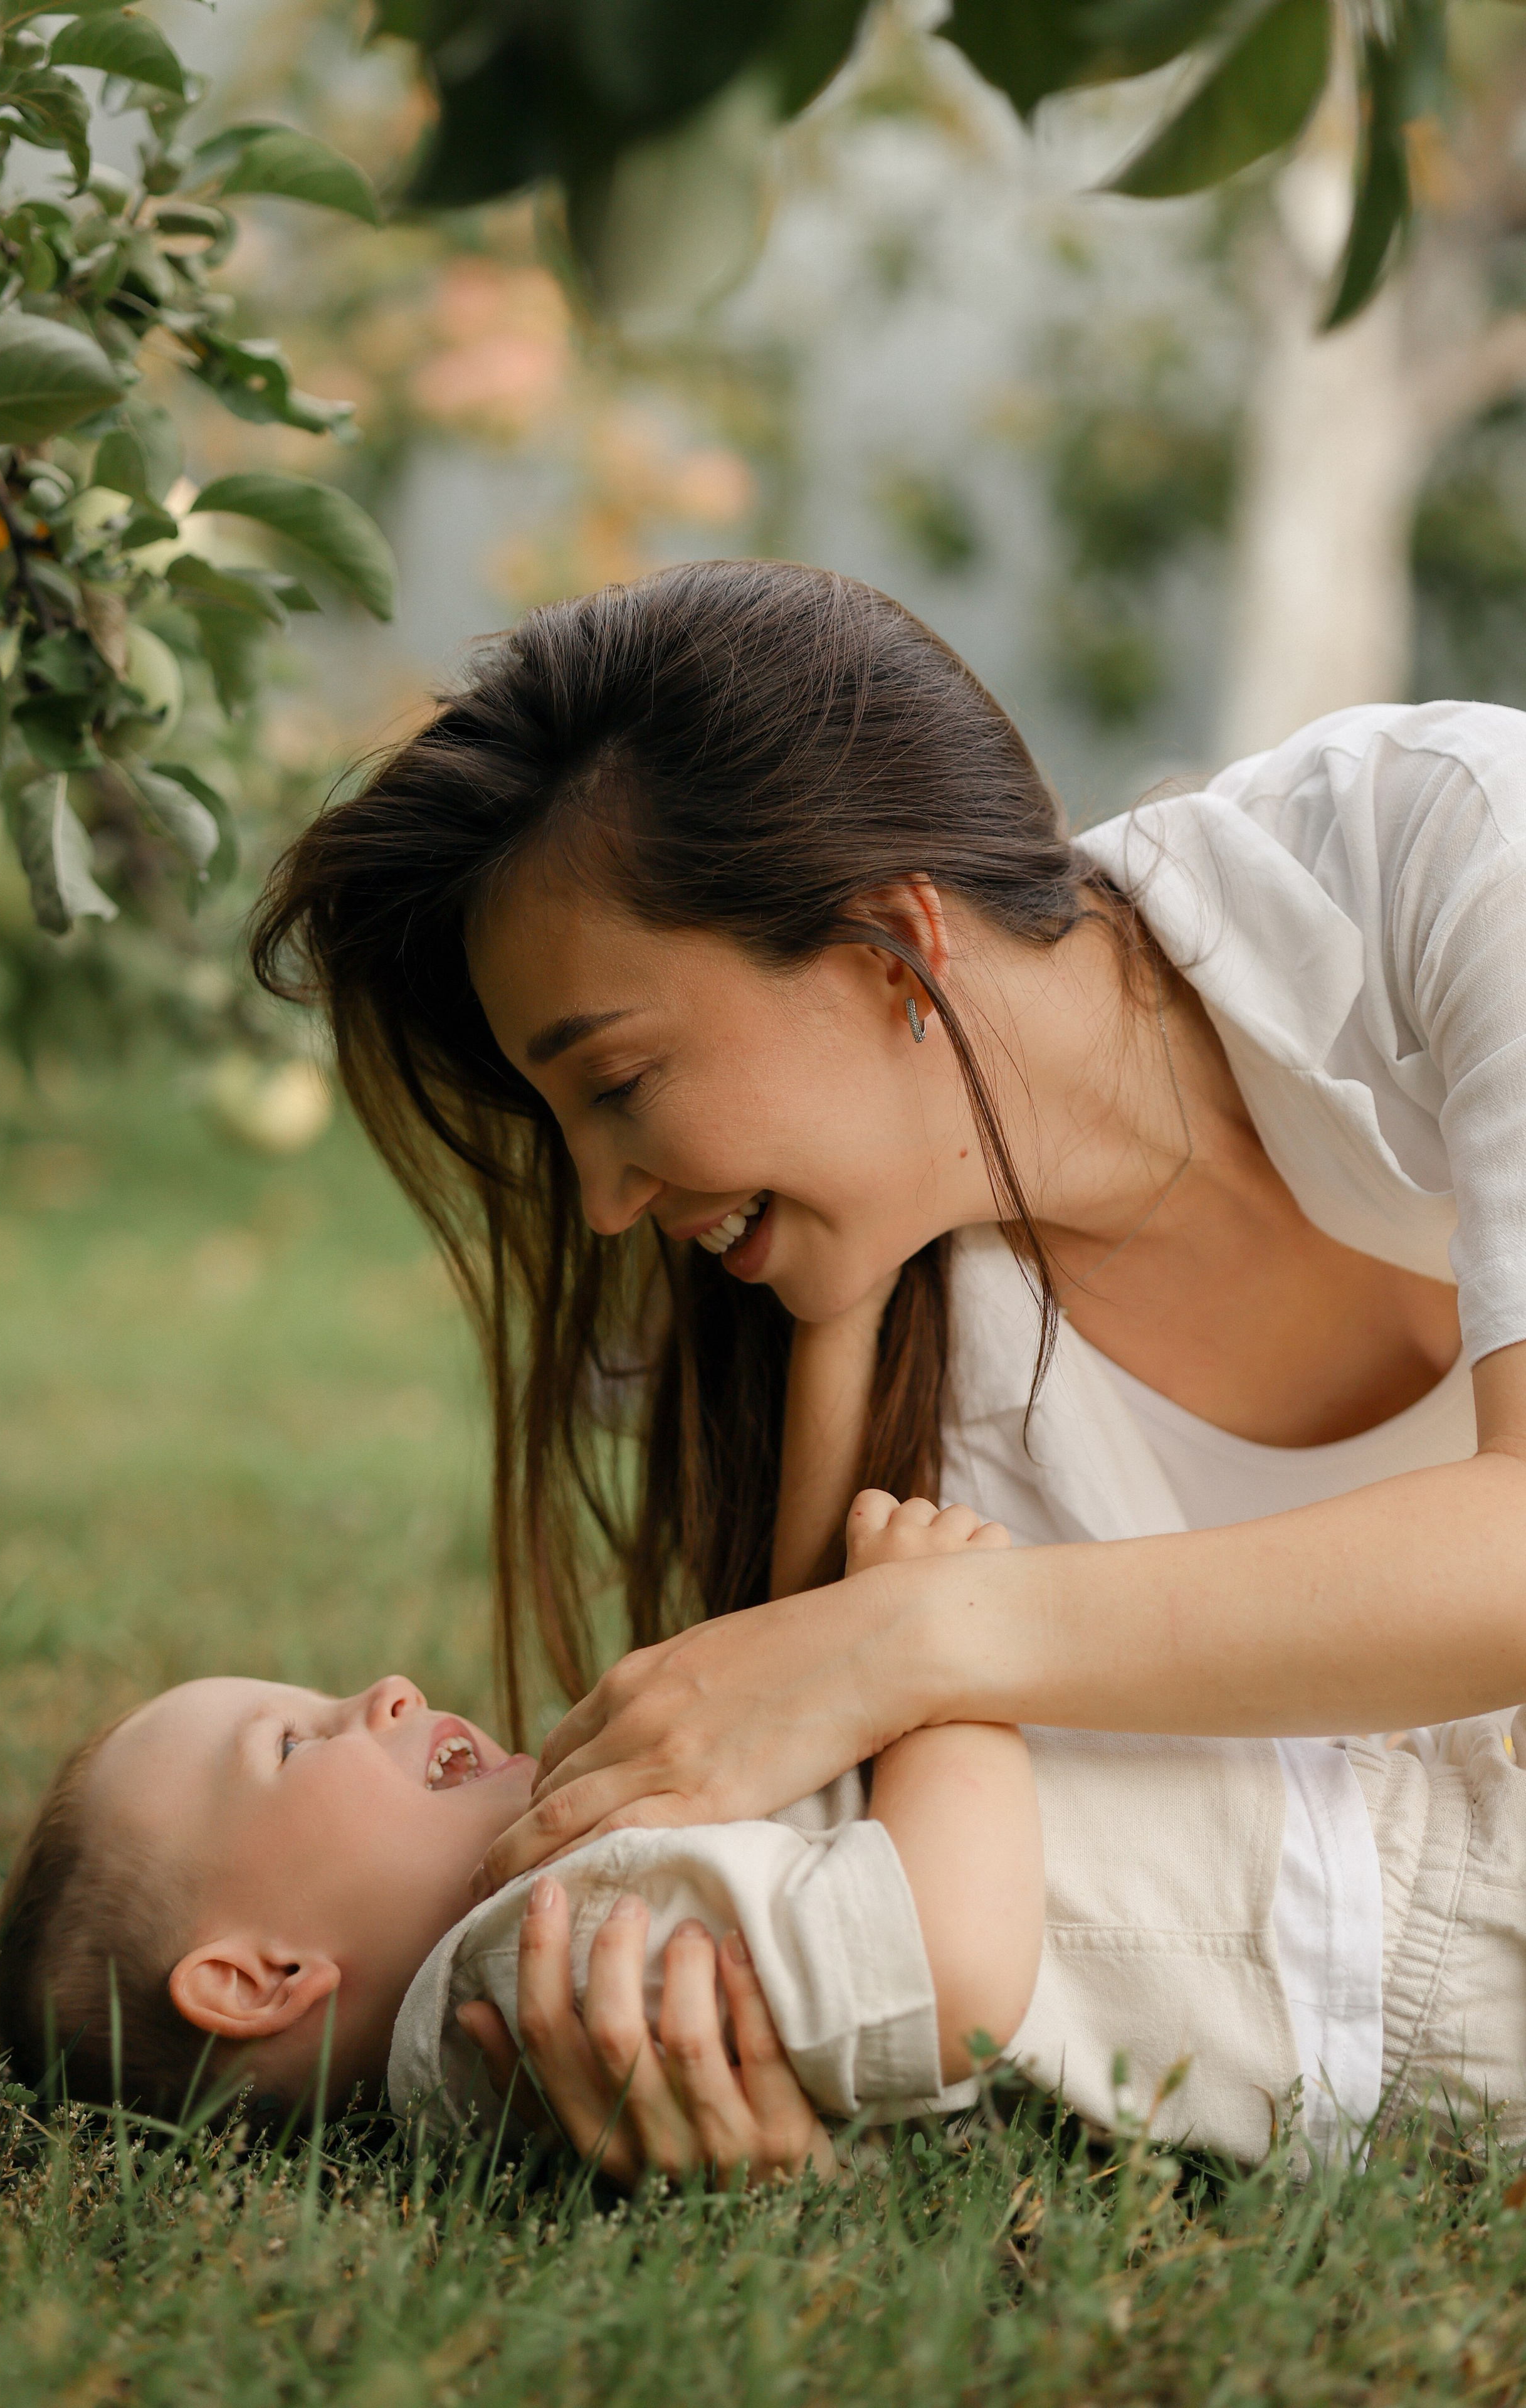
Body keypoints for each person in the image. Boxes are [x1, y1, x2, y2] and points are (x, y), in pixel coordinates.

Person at [250, 557, 1526, 2170]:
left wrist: (912, 1637)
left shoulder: (1452, 862)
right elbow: (972, 1948)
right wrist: (732, 2057)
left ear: (886, 946)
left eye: (621, 1079)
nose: (599, 1203)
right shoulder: (900, 1408)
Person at [0, 1495, 1526, 2182]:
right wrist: (937, 1665)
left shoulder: (545, 1919)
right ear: (256, 1977)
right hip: (1396, 1940)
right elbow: (948, 1972)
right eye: (299, 1740)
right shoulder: (545, 1953)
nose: (381, 1691)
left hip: (1357, 1856)